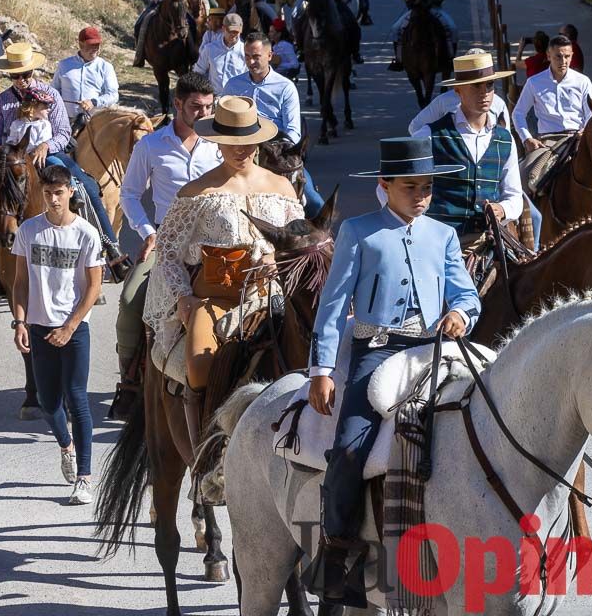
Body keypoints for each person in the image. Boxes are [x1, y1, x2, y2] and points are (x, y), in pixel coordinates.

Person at [306, 135, 480, 603]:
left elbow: (466, 295)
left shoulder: (442, 234)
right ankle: (338, 552)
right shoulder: (359, 231)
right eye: (411, 187)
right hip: (375, 351)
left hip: (432, 351)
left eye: (427, 187)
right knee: (348, 448)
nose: (421, 196)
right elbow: (332, 305)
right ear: (385, 185)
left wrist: (461, 315)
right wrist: (322, 368)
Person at [143, 96, 302, 461]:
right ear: (217, 141)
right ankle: (208, 456)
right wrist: (183, 296)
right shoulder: (197, 193)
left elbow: (299, 241)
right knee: (198, 365)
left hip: (270, 295)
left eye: (246, 141)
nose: (240, 150)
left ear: (257, 141)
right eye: (231, 142)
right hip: (216, 297)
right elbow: (167, 253)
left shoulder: (282, 188)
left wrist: (275, 257)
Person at [113, 73, 220, 418]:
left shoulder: (220, 145)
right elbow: (129, 194)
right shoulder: (151, 146)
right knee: (130, 300)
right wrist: (147, 231)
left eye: (208, 107)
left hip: (214, 241)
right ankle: (128, 382)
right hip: (166, 238)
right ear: (177, 104)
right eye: (195, 107)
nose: (203, 114)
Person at [0, 43, 127, 289]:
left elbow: (63, 131)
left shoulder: (50, 95)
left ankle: (111, 249)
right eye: (15, 76)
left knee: (85, 187)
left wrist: (45, 146)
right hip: (15, 161)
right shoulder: (2, 103)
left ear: (32, 72)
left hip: (48, 154)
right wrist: (2, 157)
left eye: (25, 74)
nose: (20, 80)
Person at [11, 163, 103, 505]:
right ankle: (66, 446)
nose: (53, 200)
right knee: (49, 403)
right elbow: (20, 282)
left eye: (59, 193)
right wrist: (19, 322)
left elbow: (94, 286)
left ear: (70, 193)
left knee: (76, 398)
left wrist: (71, 325)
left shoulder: (85, 234)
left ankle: (84, 477)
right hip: (38, 326)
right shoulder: (29, 231)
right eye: (47, 193)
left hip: (75, 327)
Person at [411, 51, 523, 249]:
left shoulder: (505, 139)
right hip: (438, 244)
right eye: (476, 86)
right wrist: (416, 223)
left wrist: (503, 209)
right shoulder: (428, 136)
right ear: (458, 90)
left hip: (489, 241)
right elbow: (389, 189)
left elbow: (514, 195)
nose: (484, 92)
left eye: (489, 85)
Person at [223, 34, 324, 214]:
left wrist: (273, 151)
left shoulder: (285, 87)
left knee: (316, 204)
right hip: (240, 153)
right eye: (247, 56)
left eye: (256, 56)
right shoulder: (233, 86)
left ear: (270, 55)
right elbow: (223, 122)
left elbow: (293, 132)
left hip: (277, 154)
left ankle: (324, 240)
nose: (251, 62)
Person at [513, 35, 592, 151]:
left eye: (567, 56)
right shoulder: (534, 82)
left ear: (572, 55)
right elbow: (518, 113)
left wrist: (585, 131)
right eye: (558, 56)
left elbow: (591, 113)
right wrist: (527, 138)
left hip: (577, 138)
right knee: (530, 169)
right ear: (548, 56)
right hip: (547, 142)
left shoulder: (583, 81)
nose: (563, 61)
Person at [51, 27, 119, 121]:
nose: (95, 48)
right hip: (65, 120)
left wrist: (94, 102)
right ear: (80, 44)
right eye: (91, 45)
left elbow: (113, 95)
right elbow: (54, 91)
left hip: (94, 122)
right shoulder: (64, 65)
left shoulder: (106, 67)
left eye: (97, 44)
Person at [193, 12, 247, 94]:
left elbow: (249, 77)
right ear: (223, 29)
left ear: (241, 30)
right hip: (214, 97)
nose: (233, 34)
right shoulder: (209, 49)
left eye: (236, 32)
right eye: (230, 31)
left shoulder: (245, 51)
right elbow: (198, 72)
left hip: (237, 99)